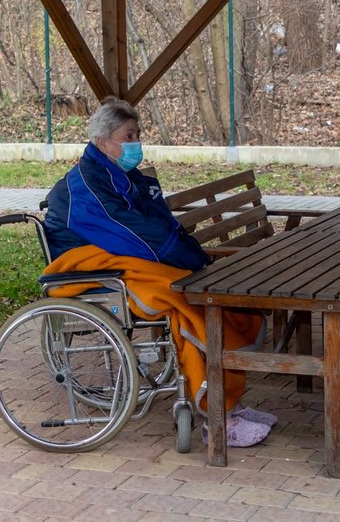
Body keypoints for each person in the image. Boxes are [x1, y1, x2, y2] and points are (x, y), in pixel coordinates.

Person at [42, 97, 276, 447]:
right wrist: (190, 260)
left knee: (200, 291)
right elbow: (134, 235)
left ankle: (228, 403)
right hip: (91, 272)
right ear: (103, 141)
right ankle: (217, 416)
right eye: (129, 135)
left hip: (122, 263)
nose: (136, 142)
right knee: (185, 300)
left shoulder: (123, 176)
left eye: (138, 134)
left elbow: (160, 227)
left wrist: (192, 255)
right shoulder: (86, 186)